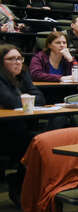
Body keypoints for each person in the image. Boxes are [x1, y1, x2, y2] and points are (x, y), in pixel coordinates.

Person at [0, 44, 46, 203]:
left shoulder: (23, 73)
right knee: (32, 140)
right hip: (4, 130)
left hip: (21, 126)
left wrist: (25, 97)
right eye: (11, 59)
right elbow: (10, 101)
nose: (17, 62)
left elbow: (40, 98)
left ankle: (21, 181)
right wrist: (25, 97)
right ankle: (19, 182)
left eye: (19, 58)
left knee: (47, 135)